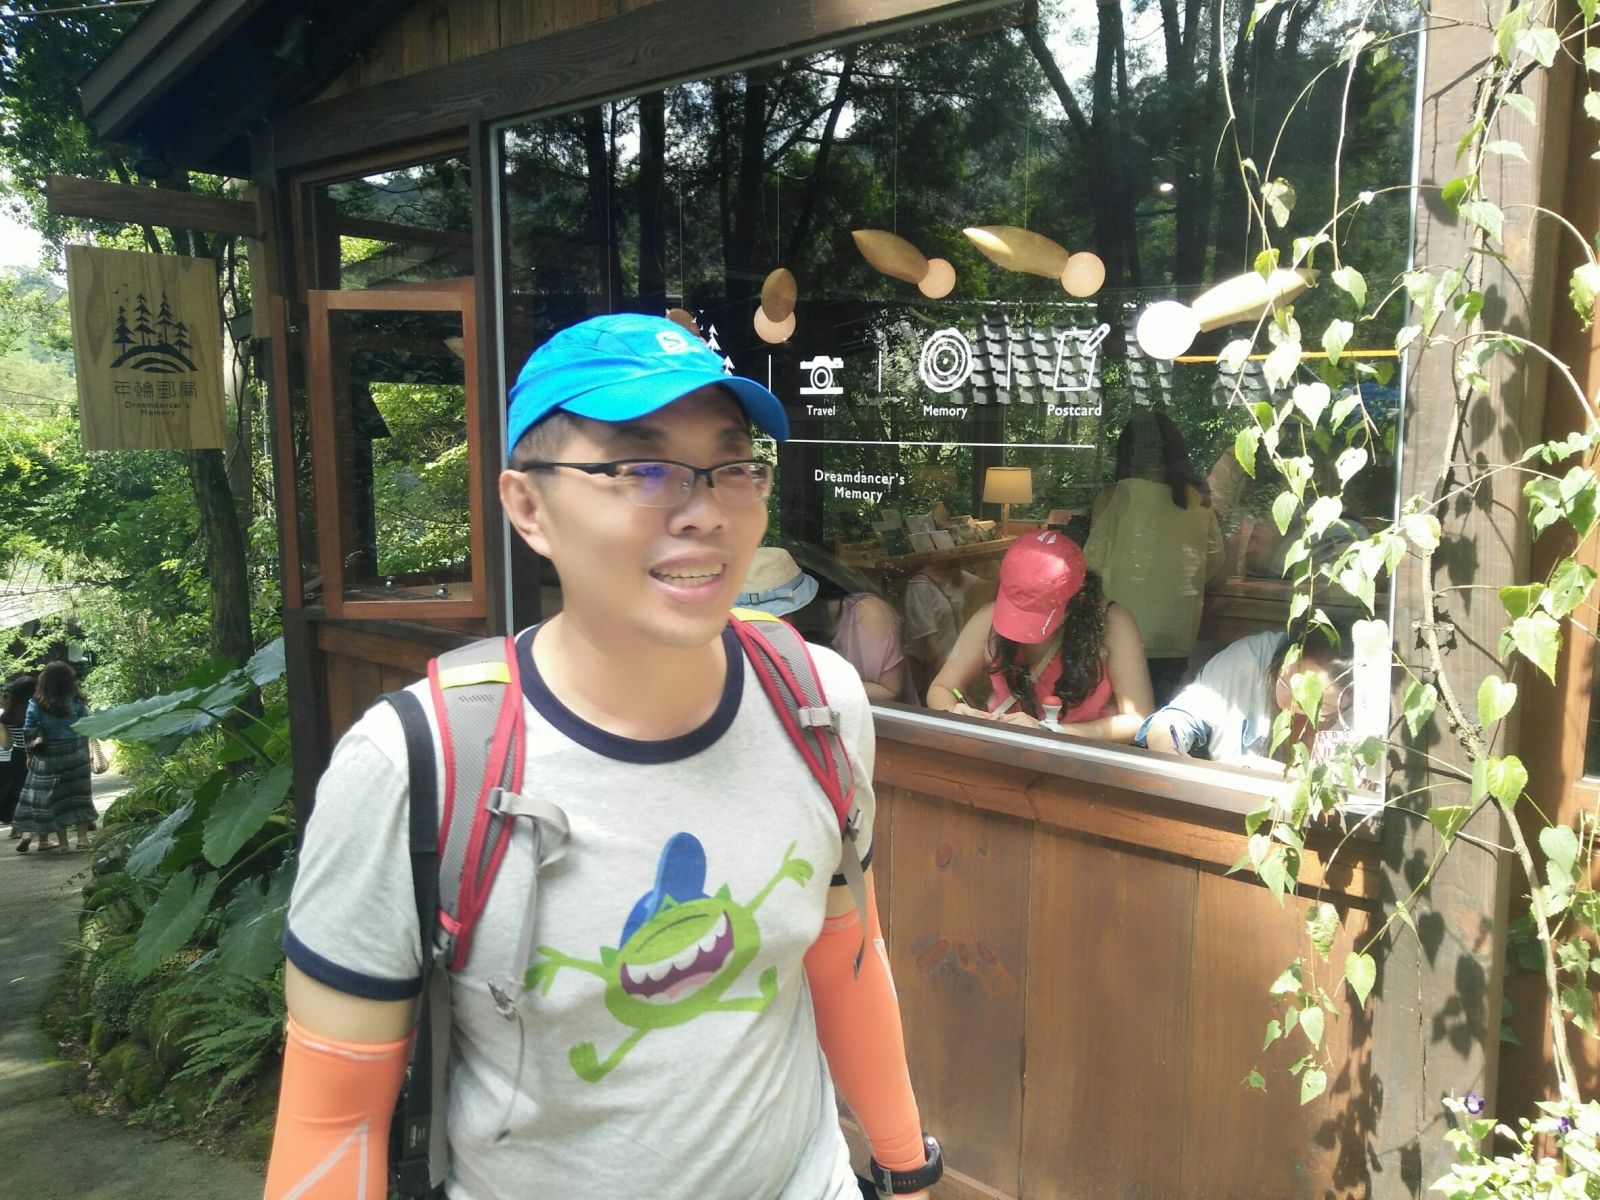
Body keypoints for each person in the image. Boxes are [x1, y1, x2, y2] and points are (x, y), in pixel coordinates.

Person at [265, 313, 939, 1200]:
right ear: (528, 507)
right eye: (641, 467)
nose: (706, 511)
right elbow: (333, 1123)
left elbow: (846, 960)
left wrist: (903, 1162)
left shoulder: (817, 702)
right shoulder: (415, 765)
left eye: (734, 465)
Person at [926, 530, 1153, 743]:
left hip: (1081, 757)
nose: (1025, 630)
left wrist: (1052, 732)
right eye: (1018, 609)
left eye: (1038, 612)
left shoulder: (1113, 623)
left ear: (1078, 598)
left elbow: (1138, 720)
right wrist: (955, 712)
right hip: (1004, 750)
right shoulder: (988, 619)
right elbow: (942, 688)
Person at [1084, 410, 1225, 703]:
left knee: (1122, 709)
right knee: (1165, 707)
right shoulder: (1197, 498)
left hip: (1122, 626)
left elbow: (1092, 564)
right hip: (1177, 628)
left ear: (1127, 452)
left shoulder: (1117, 495)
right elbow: (1215, 559)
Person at [1135, 623, 1353, 769]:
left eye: (1312, 704)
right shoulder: (1250, 660)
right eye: (1286, 681)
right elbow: (1175, 719)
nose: (1291, 700)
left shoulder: (1364, 711)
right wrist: (1173, 755)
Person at [737, 546, 918, 705]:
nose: (763, 625)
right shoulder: (753, 633)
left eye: (775, 614)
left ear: (803, 602)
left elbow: (890, 691)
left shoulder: (868, 613)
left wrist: (805, 684)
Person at [13, 662, 95, 854]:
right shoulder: (76, 700)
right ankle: (82, 839)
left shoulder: (37, 703)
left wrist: (29, 754)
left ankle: (64, 844)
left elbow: (29, 729)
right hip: (76, 753)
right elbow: (86, 727)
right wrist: (87, 752)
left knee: (57, 800)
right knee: (80, 796)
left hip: (49, 755)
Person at [900, 561, 974, 700]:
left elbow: (993, 587)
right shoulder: (920, 586)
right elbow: (933, 652)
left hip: (953, 663)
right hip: (929, 668)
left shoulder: (956, 575)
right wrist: (961, 696)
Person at [0, 674, 34, 837]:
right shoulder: (37, 711)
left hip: (18, 754)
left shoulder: (6, 716)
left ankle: (18, 827)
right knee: (40, 788)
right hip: (38, 752)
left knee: (19, 789)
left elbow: (7, 745)